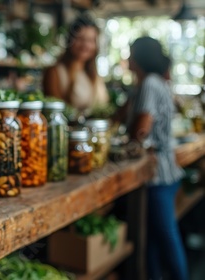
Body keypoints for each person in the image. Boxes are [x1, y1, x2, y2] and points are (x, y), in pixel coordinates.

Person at [127, 36, 188, 280]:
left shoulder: (150, 83)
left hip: (158, 175)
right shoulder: (158, 82)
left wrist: (129, 138)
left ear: (139, 58)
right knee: (152, 239)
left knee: (167, 240)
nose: (128, 59)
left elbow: (142, 127)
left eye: (130, 54)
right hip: (167, 172)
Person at [43, 14, 109, 116]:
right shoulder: (54, 72)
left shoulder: (93, 74)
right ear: (69, 40)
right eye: (81, 39)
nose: (85, 45)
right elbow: (57, 112)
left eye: (91, 40)